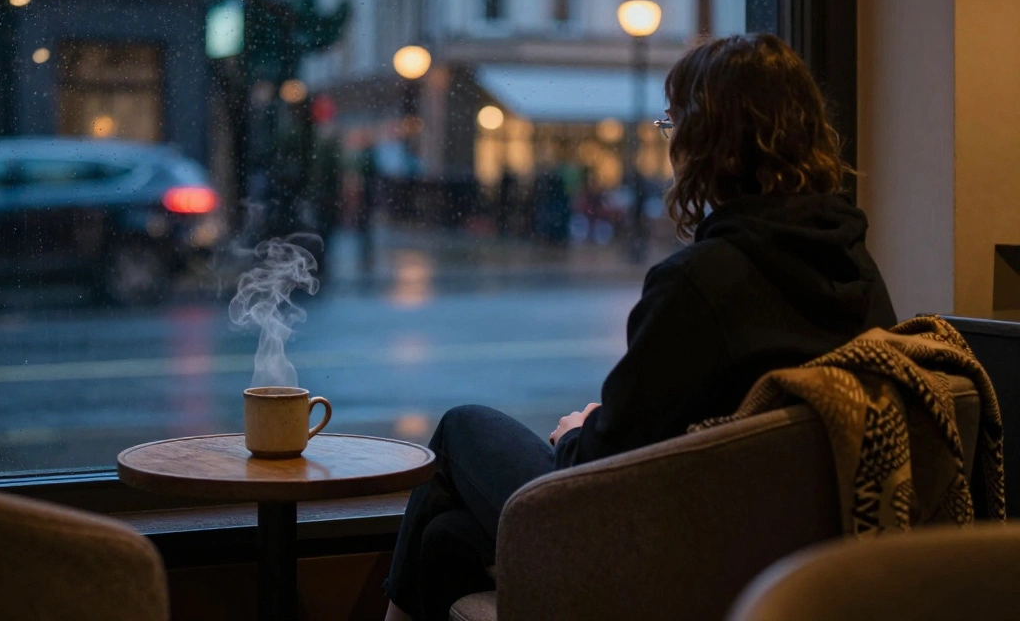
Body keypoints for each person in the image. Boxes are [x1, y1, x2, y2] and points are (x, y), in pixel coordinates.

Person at [382, 33, 898, 621]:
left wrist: (577, 431)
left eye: (673, 123)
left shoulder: (702, 281)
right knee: (445, 537)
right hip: (770, 552)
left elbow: (605, 465)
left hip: (663, 553)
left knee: (460, 428)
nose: (670, 140)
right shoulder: (856, 264)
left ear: (705, 141)